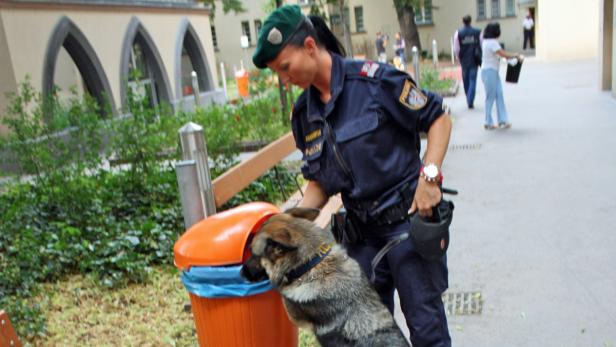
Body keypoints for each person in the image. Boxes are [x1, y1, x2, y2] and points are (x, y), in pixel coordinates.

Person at [252, 5, 453, 347]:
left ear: (311, 47)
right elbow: (320, 182)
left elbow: (438, 118)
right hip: (361, 237)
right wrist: (288, 229)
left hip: (406, 224)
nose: (284, 79)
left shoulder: (375, 82)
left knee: (427, 330)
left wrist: (429, 178)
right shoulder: (305, 115)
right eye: (277, 73)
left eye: (285, 67)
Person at [480, 22, 522, 129]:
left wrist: (512, 58)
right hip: (490, 72)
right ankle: (488, 122)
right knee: (490, 97)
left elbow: (499, 55)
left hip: (491, 71)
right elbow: (503, 54)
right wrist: (515, 55)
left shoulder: (486, 42)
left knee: (499, 94)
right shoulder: (492, 42)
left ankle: (502, 120)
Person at [453, 15, 482, 109]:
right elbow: (481, 44)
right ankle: (470, 100)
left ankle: (468, 97)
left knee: (465, 80)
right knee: (473, 79)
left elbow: (456, 48)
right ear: (470, 21)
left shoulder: (458, 33)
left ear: (463, 21)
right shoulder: (477, 32)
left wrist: (458, 57)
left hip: (464, 59)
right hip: (474, 58)